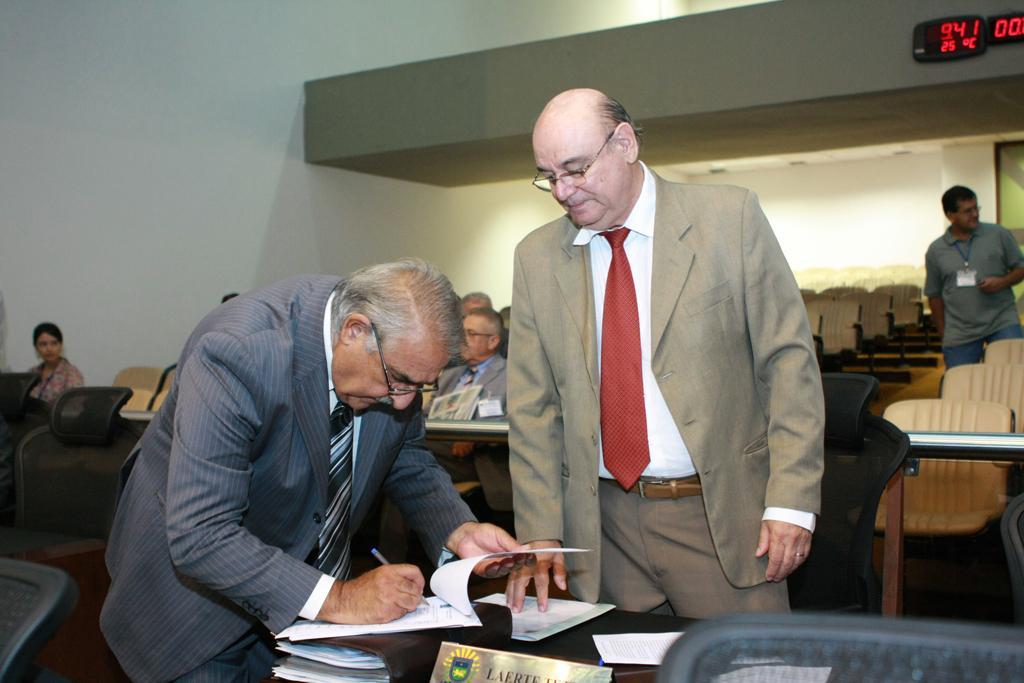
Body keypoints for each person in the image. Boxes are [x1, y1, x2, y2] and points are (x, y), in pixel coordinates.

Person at [101, 261, 524, 682]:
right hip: (194, 607)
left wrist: (458, 530)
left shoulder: (392, 359)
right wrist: (341, 598)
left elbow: (404, 454)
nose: (402, 402)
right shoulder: (239, 350)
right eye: (398, 380)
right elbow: (202, 532)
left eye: (420, 386)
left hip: (302, 598)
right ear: (353, 331)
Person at [505, 89, 824, 619]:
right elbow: (532, 409)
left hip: (722, 519)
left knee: (747, 664)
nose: (562, 191)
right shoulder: (535, 258)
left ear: (624, 143)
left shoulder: (730, 218)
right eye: (548, 176)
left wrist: (792, 501)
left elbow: (788, 364)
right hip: (602, 533)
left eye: (576, 169)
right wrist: (540, 528)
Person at [925, 185, 1024, 369]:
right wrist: (944, 334)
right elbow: (934, 295)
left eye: (976, 208)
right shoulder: (936, 250)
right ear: (950, 215)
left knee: (1014, 376)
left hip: (1002, 320)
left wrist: (1002, 282)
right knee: (959, 381)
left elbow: (1021, 268)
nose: (975, 214)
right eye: (967, 211)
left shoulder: (998, 234)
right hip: (960, 330)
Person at [28, 322, 84, 404]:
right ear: (36, 348)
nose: (49, 349)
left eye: (54, 343)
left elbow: (74, 407)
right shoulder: (32, 373)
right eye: (43, 344)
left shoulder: (71, 374)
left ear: (61, 346)